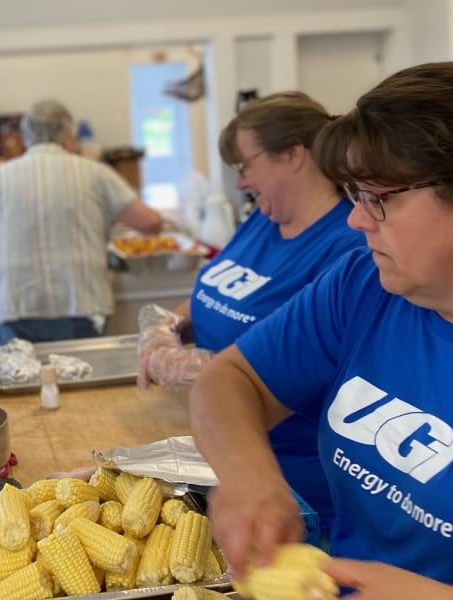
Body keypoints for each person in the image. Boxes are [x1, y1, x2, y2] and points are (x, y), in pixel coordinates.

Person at [189, 62, 453, 598]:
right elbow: (231, 377)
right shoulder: (366, 284)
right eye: (354, 195)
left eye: (380, 199)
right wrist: (249, 474)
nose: (355, 220)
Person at [137, 91, 364, 536]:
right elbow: (212, 291)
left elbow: (309, 365)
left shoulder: (346, 248)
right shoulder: (263, 218)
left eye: (245, 165)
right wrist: (169, 329)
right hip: (219, 454)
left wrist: (215, 371)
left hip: (288, 490)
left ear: (293, 155)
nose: (239, 182)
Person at [0, 99, 163, 344]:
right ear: (68, 134)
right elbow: (150, 222)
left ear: (25, 137)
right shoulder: (95, 172)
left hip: (14, 305)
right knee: (83, 381)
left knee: (19, 382)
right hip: (79, 305)